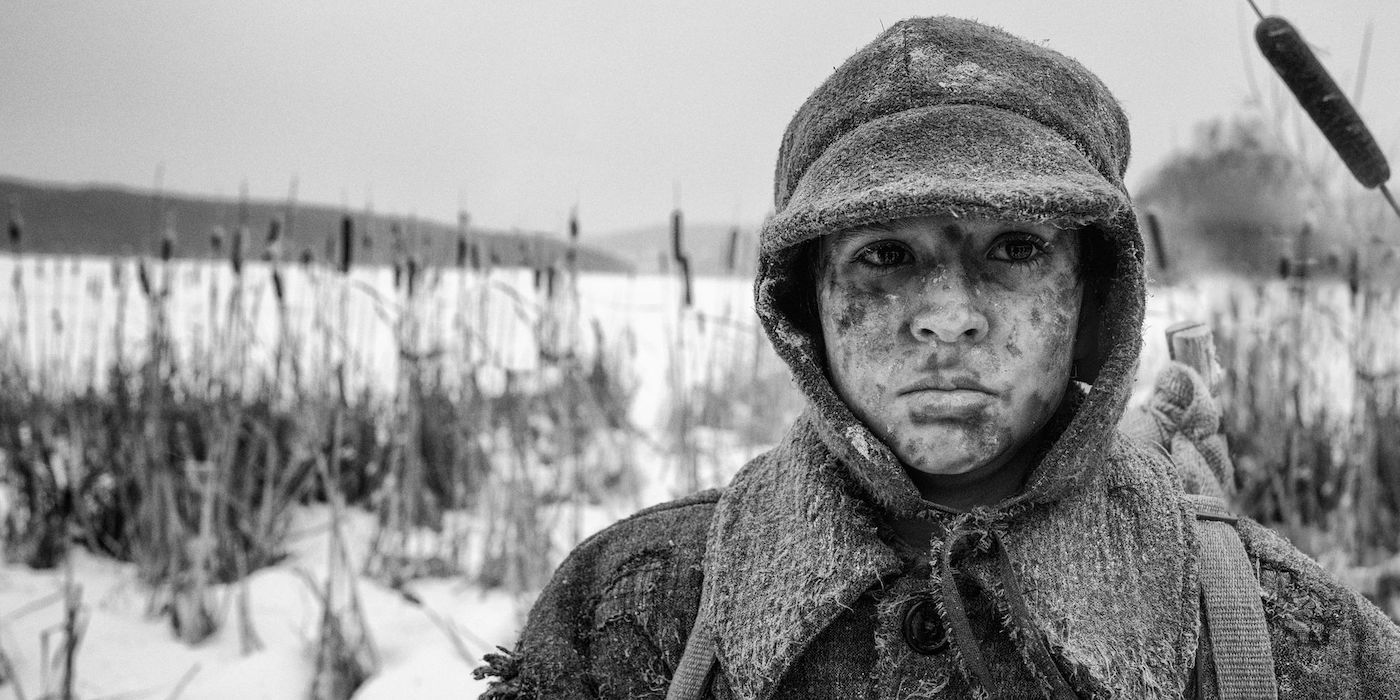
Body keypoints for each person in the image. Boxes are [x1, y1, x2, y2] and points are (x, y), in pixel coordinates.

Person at [476, 16, 1400, 699]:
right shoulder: (639, 612)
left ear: (1092, 294)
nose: (949, 319)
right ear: (809, 302)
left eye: (1014, 249)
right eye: (885, 255)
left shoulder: (1289, 645)